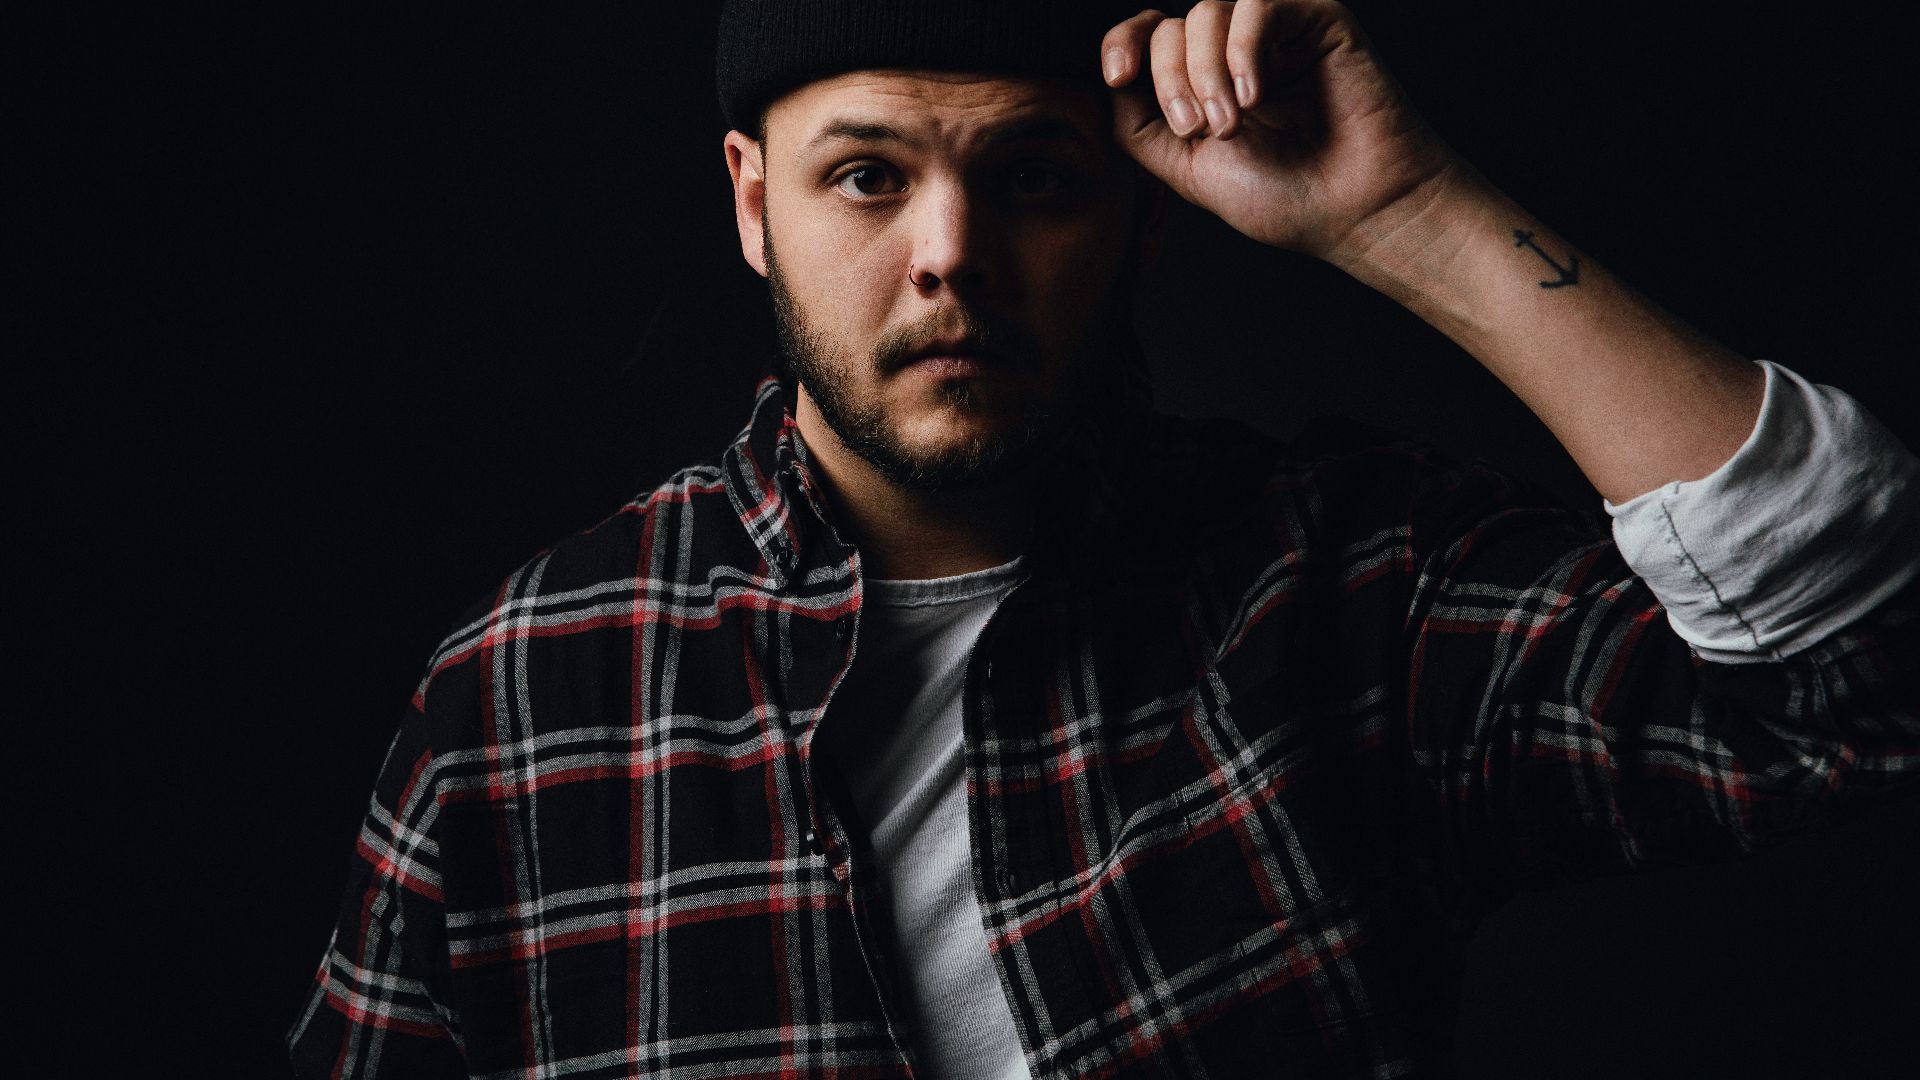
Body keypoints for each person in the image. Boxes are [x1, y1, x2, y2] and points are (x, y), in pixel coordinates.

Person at [288, 1, 1919, 1076]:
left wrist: (1406, 214)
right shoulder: (526, 694)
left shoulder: (1331, 590)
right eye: (866, 178)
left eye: (1035, 179)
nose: (951, 255)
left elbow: (1858, 684)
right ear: (749, 202)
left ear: (1140, 207)